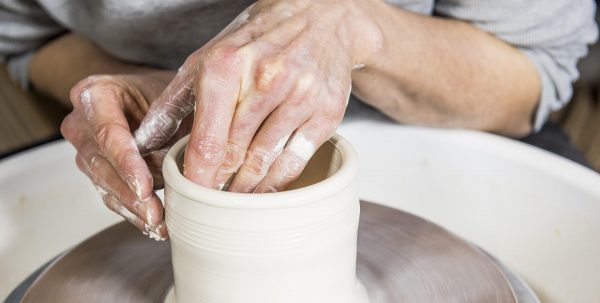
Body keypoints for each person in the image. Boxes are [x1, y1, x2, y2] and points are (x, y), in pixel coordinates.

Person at [1, 0, 597, 240]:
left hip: (432, 111)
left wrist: (354, 25)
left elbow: (530, 74)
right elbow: (29, 35)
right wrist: (156, 87)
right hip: (165, 136)